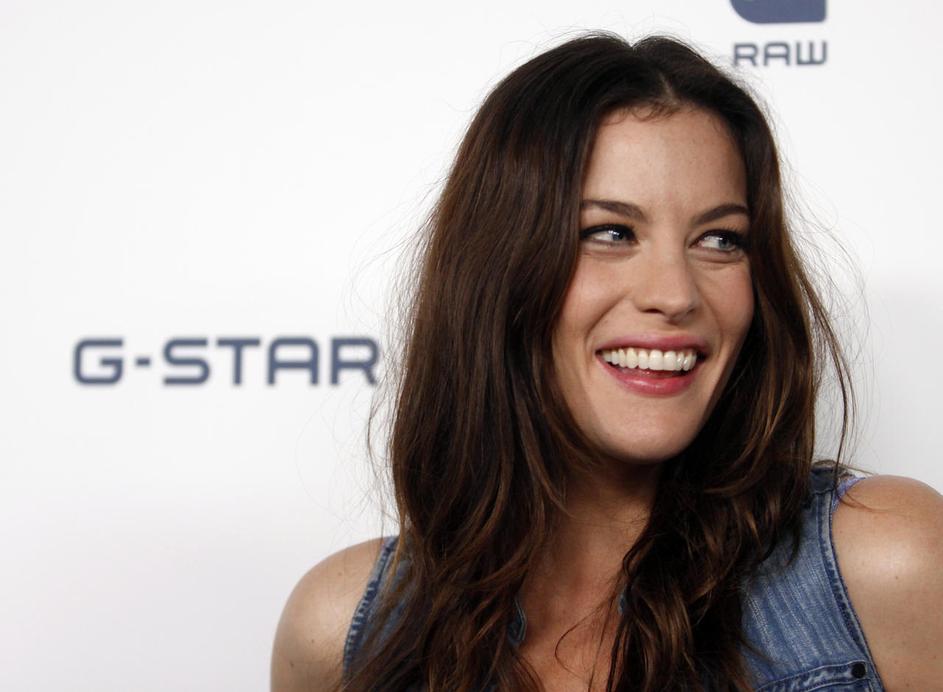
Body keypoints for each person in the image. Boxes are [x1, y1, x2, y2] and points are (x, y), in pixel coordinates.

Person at [271, 33, 943, 691]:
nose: (675, 294)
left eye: (719, 239)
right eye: (611, 233)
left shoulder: (888, 559)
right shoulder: (345, 631)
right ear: (497, 270)